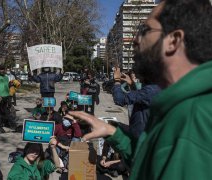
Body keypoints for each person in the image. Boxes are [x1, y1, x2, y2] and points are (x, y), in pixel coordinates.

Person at [67, 1, 212, 179]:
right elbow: (153, 164)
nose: (135, 40)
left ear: (173, 41)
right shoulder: (178, 105)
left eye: (145, 31)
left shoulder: (194, 120)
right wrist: (112, 133)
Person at [112, 67, 160, 139]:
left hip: (142, 138)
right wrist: (132, 84)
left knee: (110, 128)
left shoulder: (150, 90)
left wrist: (117, 80)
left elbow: (119, 99)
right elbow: (139, 95)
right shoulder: (157, 88)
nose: (138, 77)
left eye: (138, 74)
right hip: (145, 133)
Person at [0, 64, 16, 133]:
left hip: (7, 96)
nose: (2, 70)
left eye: (3, 69)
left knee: (7, 111)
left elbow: (7, 86)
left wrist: (12, 85)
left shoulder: (6, 77)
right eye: (0, 69)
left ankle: (8, 124)